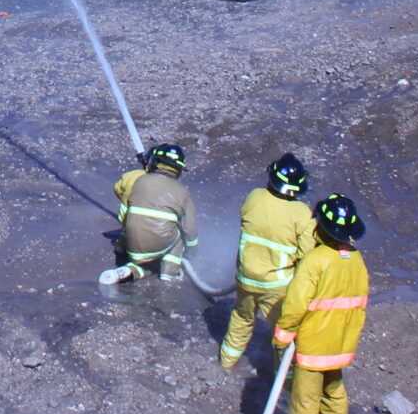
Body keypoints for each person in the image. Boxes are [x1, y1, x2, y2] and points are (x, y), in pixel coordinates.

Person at [273, 194, 370, 414]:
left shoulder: (315, 261)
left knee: (304, 402)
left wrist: (282, 336)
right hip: (341, 344)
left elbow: (294, 306)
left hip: (313, 346)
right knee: (334, 391)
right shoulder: (356, 261)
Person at [221, 154, 316, 367]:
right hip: (277, 285)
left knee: (241, 318)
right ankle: (286, 378)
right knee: (283, 333)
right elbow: (306, 254)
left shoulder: (254, 197)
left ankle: (227, 362)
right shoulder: (302, 213)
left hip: (245, 277)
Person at [103, 144, 200, 284]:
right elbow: (189, 230)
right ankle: (169, 274)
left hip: (131, 243)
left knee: (148, 262)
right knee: (179, 236)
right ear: (179, 170)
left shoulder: (140, 181)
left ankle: (130, 271)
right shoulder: (182, 192)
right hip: (155, 245)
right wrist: (191, 253)